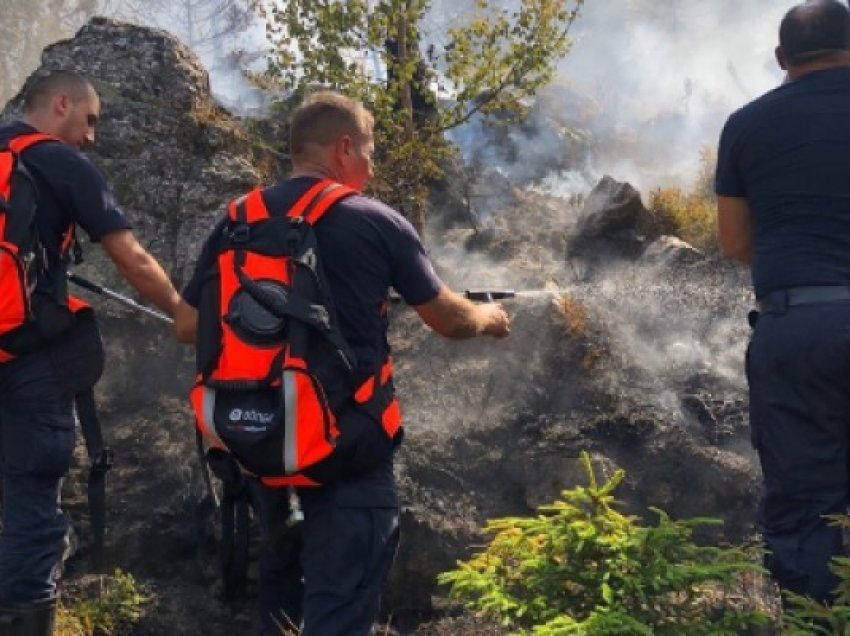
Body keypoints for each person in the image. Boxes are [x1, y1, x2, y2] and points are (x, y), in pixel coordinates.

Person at [174, 90, 511, 635]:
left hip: (263, 444)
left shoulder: (237, 220)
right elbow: (449, 320)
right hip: (345, 453)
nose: (372, 170)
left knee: (279, 601)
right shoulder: (375, 221)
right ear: (344, 148)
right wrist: (490, 317)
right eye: (370, 154)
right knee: (341, 609)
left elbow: (187, 326)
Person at [0, 70, 181, 633]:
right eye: (90, 119)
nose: (92, 136)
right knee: (31, 501)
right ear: (60, 104)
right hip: (27, 361)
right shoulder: (60, 161)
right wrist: (184, 312)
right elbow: (132, 260)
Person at [715, 0, 850, 605]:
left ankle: (818, 620)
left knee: (805, 505)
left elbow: (736, 243)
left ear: (781, 58)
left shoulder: (747, 124)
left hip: (798, 331)